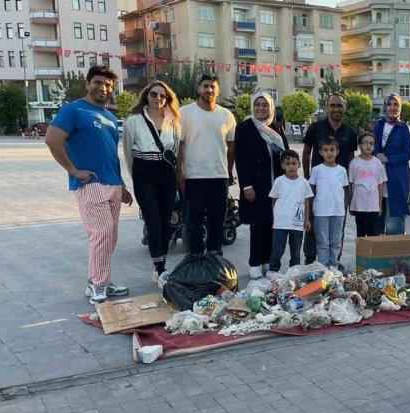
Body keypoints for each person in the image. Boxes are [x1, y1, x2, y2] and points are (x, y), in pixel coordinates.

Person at [45, 65, 133, 305]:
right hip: (90, 183)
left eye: (108, 85)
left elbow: (109, 154)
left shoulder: (110, 117)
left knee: (110, 237)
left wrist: (122, 185)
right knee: (101, 234)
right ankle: (98, 284)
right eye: (98, 83)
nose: (103, 88)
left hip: (112, 184)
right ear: (88, 83)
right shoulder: (73, 110)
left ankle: (100, 280)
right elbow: (52, 139)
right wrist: (73, 170)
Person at [122, 80, 181, 283]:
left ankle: (161, 266)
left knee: (166, 222)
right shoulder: (133, 121)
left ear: (167, 99)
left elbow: (176, 151)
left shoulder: (174, 121)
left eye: (162, 95)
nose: (158, 98)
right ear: (146, 95)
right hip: (144, 171)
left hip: (166, 173)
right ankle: (160, 267)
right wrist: (135, 176)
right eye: (154, 94)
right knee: (152, 221)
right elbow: (128, 151)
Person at [176, 74, 237, 256]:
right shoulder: (184, 113)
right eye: (205, 86)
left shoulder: (226, 115)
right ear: (199, 89)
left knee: (217, 221)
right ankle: (194, 258)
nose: (209, 90)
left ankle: (214, 256)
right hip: (193, 177)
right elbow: (179, 144)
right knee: (192, 222)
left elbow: (232, 146)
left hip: (219, 177)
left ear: (218, 91)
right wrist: (179, 172)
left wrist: (229, 170)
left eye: (212, 87)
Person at [234, 92, 290, 278]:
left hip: (276, 186)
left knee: (272, 225)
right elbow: (240, 159)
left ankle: (267, 261)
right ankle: (255, 263)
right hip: (255, 186)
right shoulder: (244, 128)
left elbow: (287, 155)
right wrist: (246, 186)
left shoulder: (277, 127)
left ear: (271, 107)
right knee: (257, 226)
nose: (261, 108)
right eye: (257, 104)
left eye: (265, 105)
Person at [302, 93, 358, 264]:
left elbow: (350, 159)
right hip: (317, 185)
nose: (336, 109)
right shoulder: (315, 128)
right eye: (332, 105)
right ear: (327, 107)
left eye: (340, 105)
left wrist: (349, 189)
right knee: (313, 223)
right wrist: (307, 178)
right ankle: (311, 260)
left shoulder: (350, 132)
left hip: (339, 187)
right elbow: (305, 153)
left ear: (345, 108)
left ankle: (334, 262)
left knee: (336, 226)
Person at [372, 93, 410, 235]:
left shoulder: (404, 128)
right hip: (378, 180)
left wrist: (388, 159)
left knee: (394, 225)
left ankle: (395, 256)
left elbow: (408, 154)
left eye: (395, 104)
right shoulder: (378, 126)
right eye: (389, 104)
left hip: (396, 180)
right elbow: (372, 147)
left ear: (400, 108)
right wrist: (376, 154)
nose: (392, 107)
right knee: (376, 224)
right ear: (385, 106)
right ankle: (378, 255)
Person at [268, 150, 313, 272]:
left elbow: (306, 201)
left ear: (299, 164)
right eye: (287, 163)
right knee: (278, 249)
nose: (291, 166)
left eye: (294, 163)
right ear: (282, 165)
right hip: (281, 223)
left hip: (297, 224)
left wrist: (307, 219)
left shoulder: (303, 182)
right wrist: (277, 215)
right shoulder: (279, 181)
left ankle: (294, 272)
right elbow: (274, 199)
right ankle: (273, 270)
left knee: (296, 251)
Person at [308, 136, 350, 268]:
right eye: (325, 150)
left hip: (338, 211)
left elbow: (345, 190)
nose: (329, 153)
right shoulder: (316, 170)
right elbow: (311, 191)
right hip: (321, 212)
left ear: (337, 151)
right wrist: (313, 208)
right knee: (322, 242)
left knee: (336, 241)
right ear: (320, 152)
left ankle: (334, 265)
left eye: (332, 149)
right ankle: (323, 266)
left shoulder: (342, 170)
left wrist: (344, 207)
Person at [349, 132, 387, 237]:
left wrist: (380, 205)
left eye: (371, 143)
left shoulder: (377, 163)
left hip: (373, 206)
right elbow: (350, 184)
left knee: (373, 235)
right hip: (359, 205)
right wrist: (350, 204)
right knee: (360, 234)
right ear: (359, 145)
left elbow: (380, 185)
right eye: (365, 143)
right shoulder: (354, 163)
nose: (368, 145)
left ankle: (371, 254)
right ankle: (361, 253)